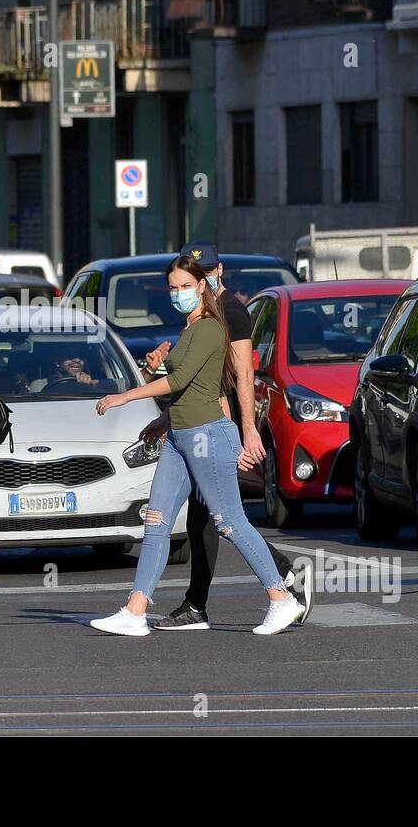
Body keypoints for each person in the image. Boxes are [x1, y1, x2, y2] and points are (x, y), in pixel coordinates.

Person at [90, 254, 303, 636]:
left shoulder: (209, 326)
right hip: (179, 437)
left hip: (208, 435)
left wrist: (126, 397)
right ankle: (135, 611)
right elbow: (189, 385)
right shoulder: (188, 329)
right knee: (155, 520)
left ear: (202, 286)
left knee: (229, 522)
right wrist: (163, 415)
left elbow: (182, 380)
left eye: (186, 286)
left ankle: (281, 598)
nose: (179, 294)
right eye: (172, 288)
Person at [147, 242, 310, 631]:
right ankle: (199, 603)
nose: (193, 284)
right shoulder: (204, 313)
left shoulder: (231, 312)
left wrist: (246, 431)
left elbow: (240, 374)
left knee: (223, 517)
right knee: (209, 516)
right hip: (203, 421)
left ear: (216, 274)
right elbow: (198, 380)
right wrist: (168, 416)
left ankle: (282, 577)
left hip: (219, 426)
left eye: (203, 275)